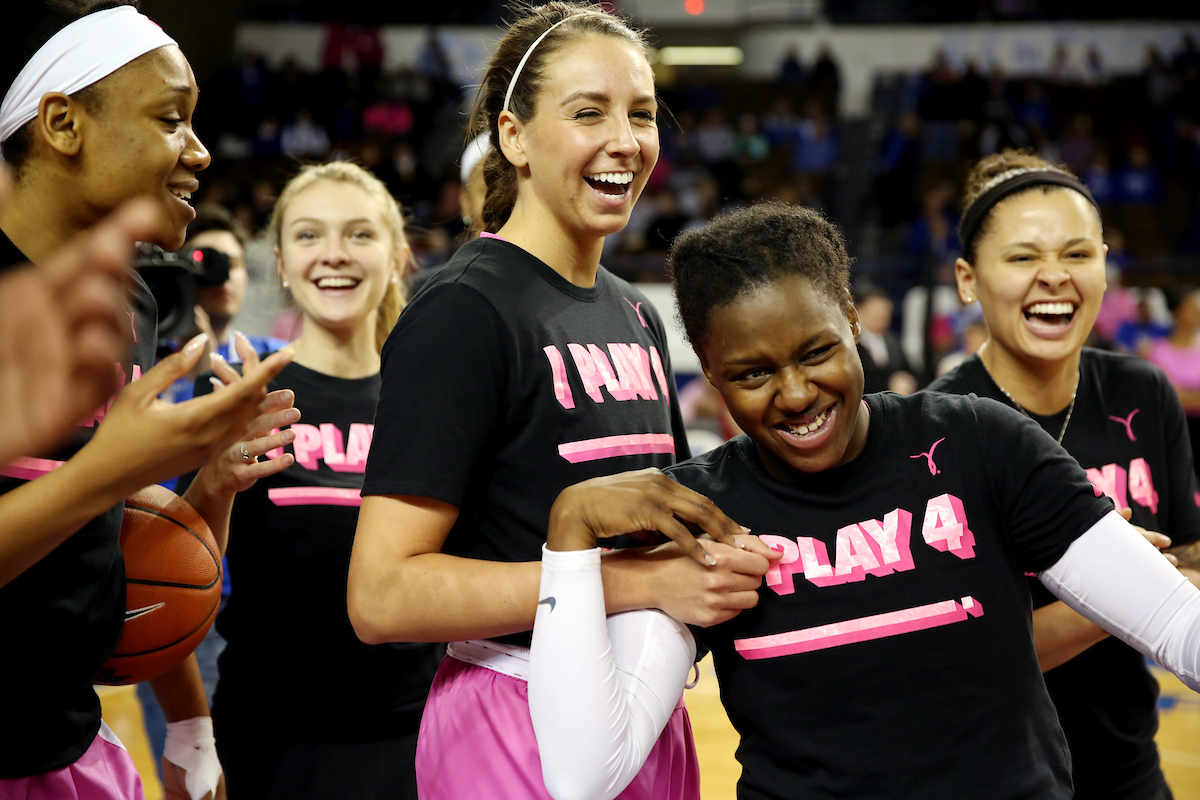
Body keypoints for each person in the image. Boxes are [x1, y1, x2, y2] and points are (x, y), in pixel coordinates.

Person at [526, 201, 1200, 800]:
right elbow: (585, 774)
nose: (794, 394)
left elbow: (1177, 625)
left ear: (851, 322)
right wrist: (570, 531)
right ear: (710, 371)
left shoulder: (979, 442)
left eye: (816, 351)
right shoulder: (700, 513)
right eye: (752, 373)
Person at [347, 4, 771, 799]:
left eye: (641, 114)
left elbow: (663, 524)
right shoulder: (461, 311)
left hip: (642, 705)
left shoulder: (638, 312)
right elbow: (381, 596)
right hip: (512, 706)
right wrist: (639, 584)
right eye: (588, 112)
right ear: (514, 137)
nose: (625, 140)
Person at [0, 3, 298, 798]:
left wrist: (208, 486)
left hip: (67, 743)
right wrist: (109, 470)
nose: (199, 151)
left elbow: (115, 545)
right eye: (172, 119)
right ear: (62, 123)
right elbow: (95, 486)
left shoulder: (128, 298)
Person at [928, 150, 1200, 800]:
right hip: (991, 778)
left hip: (1129, 769)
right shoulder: (937, 431)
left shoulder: (1143, 390)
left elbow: (1190, 557)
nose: (1054, 276)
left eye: (1078, 254)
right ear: (968, 280)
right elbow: (968, 653)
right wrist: (1123, 579)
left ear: (1107, 266)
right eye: (1023, 257)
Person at [188, 162, 441, 799]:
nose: (333, 254)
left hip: (415, 729)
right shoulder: (236, 393)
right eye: (308, 236)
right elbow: (186, 564)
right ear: (278, 260)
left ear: (397, 256)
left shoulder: (437, 398)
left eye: (359, 235)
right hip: (271, 736)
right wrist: (216, 482)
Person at [1145, 285, 1200, 491]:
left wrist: (1184, 393)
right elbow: (1166, 396)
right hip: (1174, 431)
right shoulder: (1157, 350)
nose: (1197, 311)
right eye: (1191, 307)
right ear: (1176, 311)